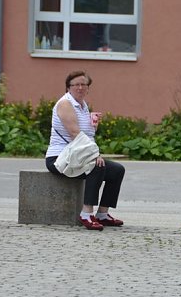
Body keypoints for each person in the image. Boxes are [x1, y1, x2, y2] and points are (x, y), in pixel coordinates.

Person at [46, 70, 125, 231]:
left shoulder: (82, 105)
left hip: (77, 155)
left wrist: (93, 127)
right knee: (96, 166)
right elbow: (75, 133)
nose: (80, 87)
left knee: (117, 170)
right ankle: (86, 213)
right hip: (59, 157)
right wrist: (94, 155)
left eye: (84, 84)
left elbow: (85, 136)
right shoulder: (65, 104)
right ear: (68, 87)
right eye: (76, 85)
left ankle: (103, 213)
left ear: (88, 88)